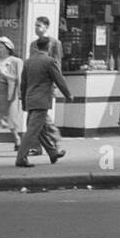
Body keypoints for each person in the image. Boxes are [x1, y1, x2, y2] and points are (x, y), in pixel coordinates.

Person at [15, 39, 73, 167]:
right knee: (32, 131)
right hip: (41, 101)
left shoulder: (28, 62)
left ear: (37, 46)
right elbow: (59, 80)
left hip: (30, 100)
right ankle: (21, 158)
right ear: (49, 46)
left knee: (40, 129)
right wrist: (68, 95)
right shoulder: (49, 61)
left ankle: (53, 153)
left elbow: (23, 84)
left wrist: (24, 102)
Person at [0, 38, 24, 153]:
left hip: (8, 91)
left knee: (11, 116)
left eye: (1, 47)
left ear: (8, 48)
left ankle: (17, 139)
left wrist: (20, 92)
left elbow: (19, 78)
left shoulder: (16, 61)